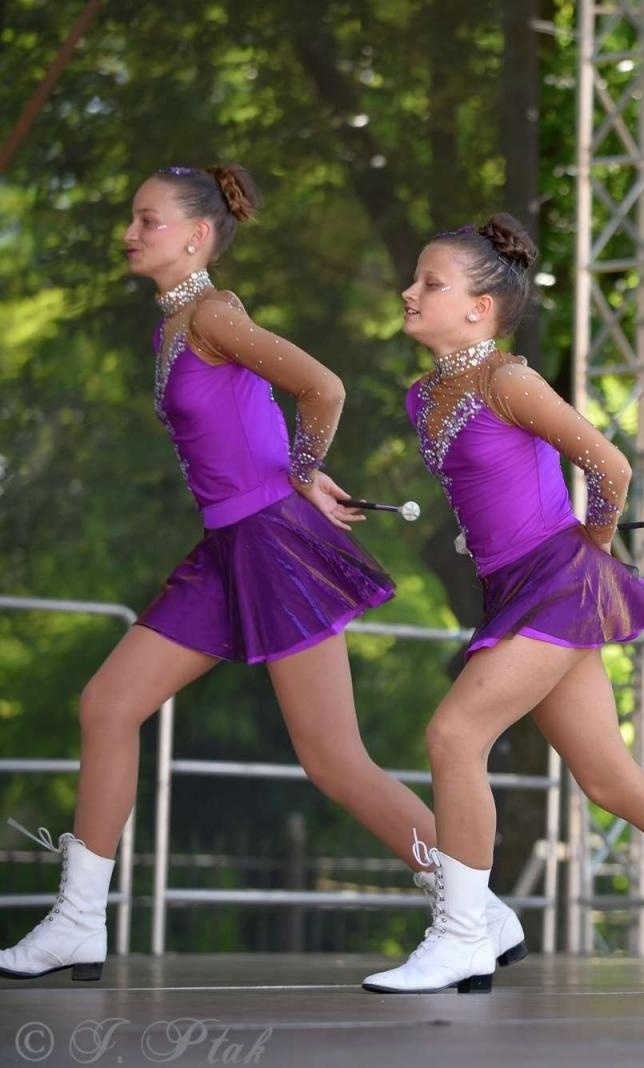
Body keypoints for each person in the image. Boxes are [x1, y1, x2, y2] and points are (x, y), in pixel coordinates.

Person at [0, 165, 530, 982]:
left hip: (275, 546)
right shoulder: (173, 326)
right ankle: (77, 922)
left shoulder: (214, 313)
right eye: (132, 219)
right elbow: (247, 422)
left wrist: (301, 472)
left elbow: (323, 387)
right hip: (224, 550)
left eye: (148, 220)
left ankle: (479, 910)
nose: (130, 234)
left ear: (196, 236)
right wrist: (293, 468)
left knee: (333, 760)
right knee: (107, 705)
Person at [362, 214, 644, 994]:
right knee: (610, 778)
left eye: (430, 283)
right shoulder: (426, 396)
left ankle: (464, 934)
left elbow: (609, 466)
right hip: (515, 589)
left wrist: (593, 546)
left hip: (558, 582)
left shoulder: (508, 380)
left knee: (454, 734)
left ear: (480, 307)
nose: (410, 292)